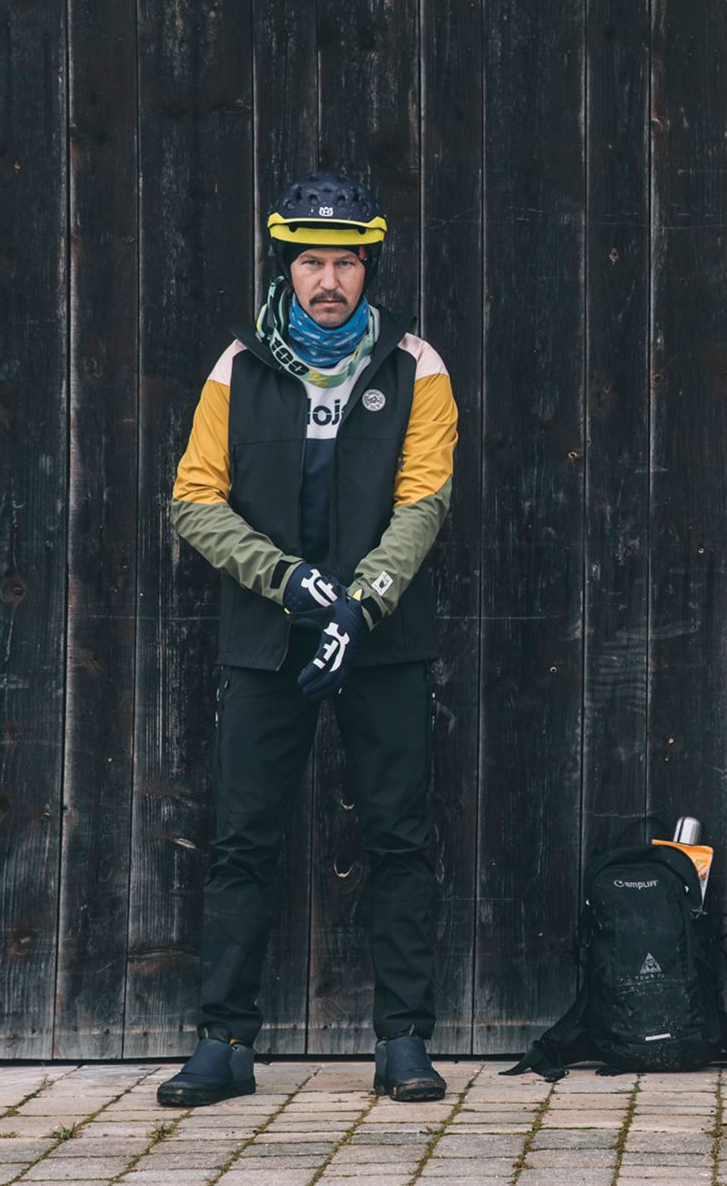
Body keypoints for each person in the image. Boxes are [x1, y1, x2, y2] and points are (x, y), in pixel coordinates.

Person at [159, 171, 458, 1106]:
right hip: (270, 637)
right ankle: (223, 1042)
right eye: (311, 263)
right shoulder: (237, 364)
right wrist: (292, 582)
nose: (329, 280)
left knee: (398, 837)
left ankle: (403, 1040)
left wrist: (359, 602)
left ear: (368, 269)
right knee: (246, 838)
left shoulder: (417, 364)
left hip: (383, 637)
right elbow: (194, 499)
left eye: (345, 264)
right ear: (287, 268)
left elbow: (425, 497)